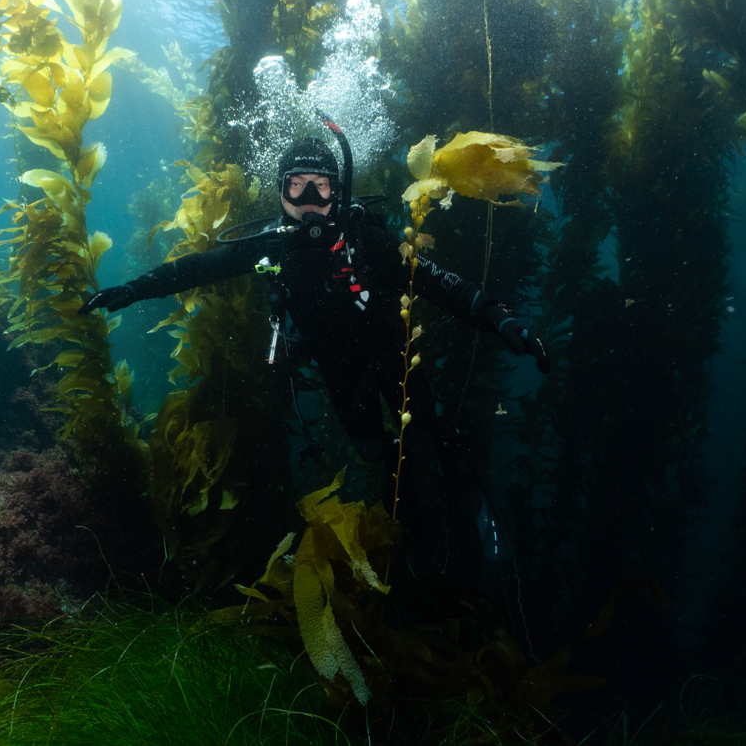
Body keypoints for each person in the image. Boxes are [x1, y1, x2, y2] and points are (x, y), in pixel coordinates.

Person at [80, 133, 549, 565]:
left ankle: (464, 487)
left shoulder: (364, 238)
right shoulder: (271, 247)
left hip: (392, 351)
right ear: (280, 191)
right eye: (296, 186)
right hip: (339, 368)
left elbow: (435, 281)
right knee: (372, 448)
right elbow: (199, 267)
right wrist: (135, 289)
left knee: (431, 437)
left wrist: (499, 318)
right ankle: (405, 502)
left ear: (337, 193)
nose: (308, 200)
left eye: (321, 187)